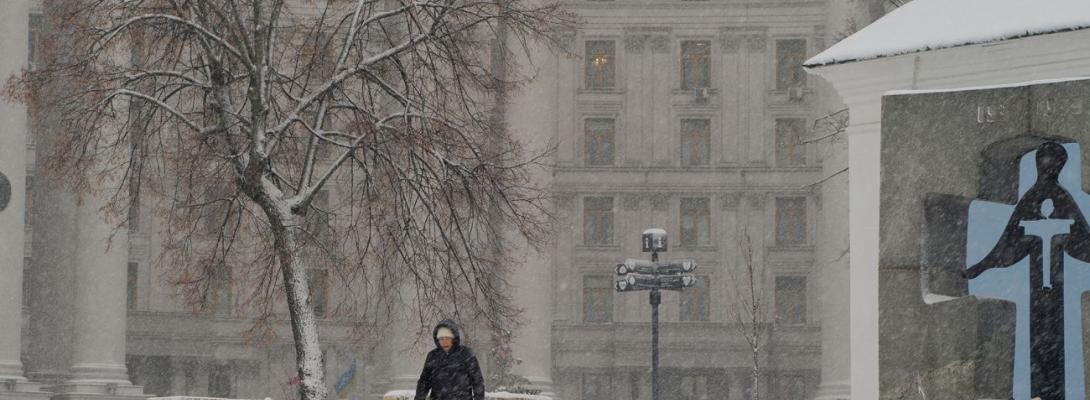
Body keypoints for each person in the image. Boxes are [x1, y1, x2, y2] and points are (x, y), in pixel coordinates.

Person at [415, 319, 485, 400]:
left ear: (453, 338)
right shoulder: (433, 356)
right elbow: (424, 382)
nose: (444, 341)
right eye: (441, 338)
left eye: (447, 338)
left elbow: (477, 382)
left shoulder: (466, 354)